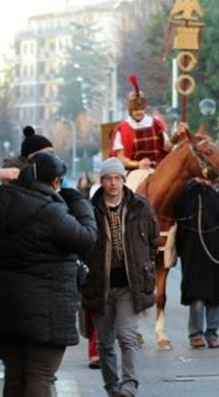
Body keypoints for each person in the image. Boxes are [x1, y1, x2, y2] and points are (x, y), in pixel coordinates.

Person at [0, 152, 98, 396]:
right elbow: (87, 237)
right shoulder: (51, 213)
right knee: (40, 374)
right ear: (56, 181)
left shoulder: (2, 202)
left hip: (8, 301)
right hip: (47, 308)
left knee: (15, 374)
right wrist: (77, 200)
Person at [82, 158, 157, 397]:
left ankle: (129, 385)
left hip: (129, 284)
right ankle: (112, 386)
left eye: (117, 178)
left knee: (126, 335)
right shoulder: (90, 209)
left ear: (124, 180)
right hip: (100, 284)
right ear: (101, 181)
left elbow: (153, 241)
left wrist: (144, 267)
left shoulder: (140, 206)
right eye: (108, 179)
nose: (113, 183)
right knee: (104, 343)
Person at [174, 178, 219, 349]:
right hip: (194, 252)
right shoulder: (188, 195)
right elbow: (181, 222)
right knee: (197, 296)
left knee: (215, 296)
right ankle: (195, 334)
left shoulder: (215, 197)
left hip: (215, 252)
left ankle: (212, 333)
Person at [110, 75, 172, 171]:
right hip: (133, 170)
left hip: (157, 169)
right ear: (130, 110)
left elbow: (167, 147)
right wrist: (138, 164)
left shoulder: (155, 124)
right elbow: (120, 158)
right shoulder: (122, 129)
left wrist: (178, 135)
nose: (139, 112)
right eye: (135, 110)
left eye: (141, 109)